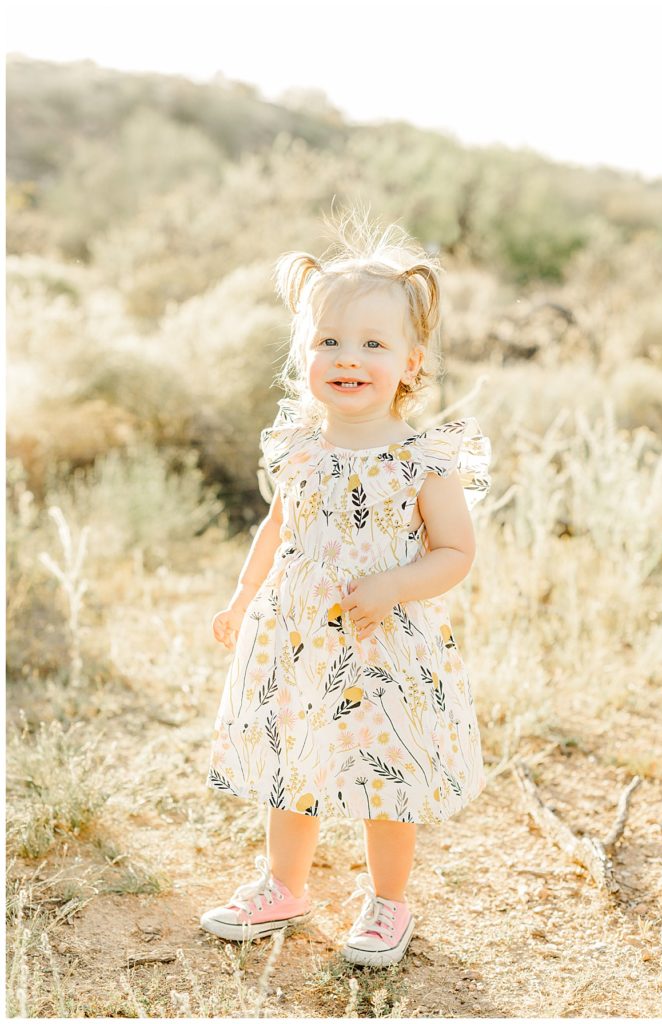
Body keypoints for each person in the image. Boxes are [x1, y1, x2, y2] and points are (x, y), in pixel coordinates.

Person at [201, 208, 492, 968]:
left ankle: (388, 901)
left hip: (384, 645)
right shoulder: (300, 448)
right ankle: (283, 885)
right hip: (297, 638)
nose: (348, 357)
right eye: (328, 341)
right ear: (304, 356)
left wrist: (396, 583)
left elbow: (456, 551)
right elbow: (277, 526)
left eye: (371, 343)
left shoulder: (423, 459)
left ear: (411, 362)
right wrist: (241, 596)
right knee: (291, 761)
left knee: (383, 774)